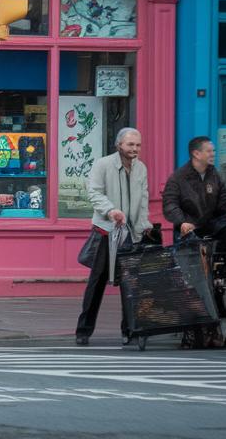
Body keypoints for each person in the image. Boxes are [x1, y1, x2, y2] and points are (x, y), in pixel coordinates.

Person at [75, 128, 153, 346]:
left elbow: (143, 200)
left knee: (131, 284)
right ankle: (83, 330)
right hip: (106, 231)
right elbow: (94, 193)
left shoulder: (141, 169)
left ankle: (129, 330)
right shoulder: (103, 165)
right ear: (119, 145)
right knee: (97, 282)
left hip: (131, 234)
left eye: (138, 145)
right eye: (130, 145)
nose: (135, 149)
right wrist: (111, 211)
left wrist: (143, 224)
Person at [163, 136, 226, 320]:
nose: (213, 153)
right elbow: (170, 205)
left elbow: (224, 202)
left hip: (214, 225)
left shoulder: (214, 175)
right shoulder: (178, 178)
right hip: (194, 229)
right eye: (209, 150)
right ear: (196, 154)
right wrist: (182, 222)